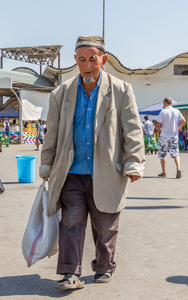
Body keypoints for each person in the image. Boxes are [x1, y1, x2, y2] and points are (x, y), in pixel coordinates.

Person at [39, 36, 145, 290]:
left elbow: (132, 130)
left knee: (106, 224)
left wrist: (134, 163)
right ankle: (69, 273)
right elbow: (51, 133)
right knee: (71, 222)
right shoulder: (61, 93)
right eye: (82, 59)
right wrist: (47, 165)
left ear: (103, 60)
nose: (87, 65)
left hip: (107, 170)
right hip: (72, 172)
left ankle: (104, 266)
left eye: (92, 59)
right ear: (75, 61)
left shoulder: (120, 90)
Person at [156, 97, 185, 179]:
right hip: (174, 135)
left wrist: (159, 130)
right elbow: (183, 121)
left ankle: (164, 172)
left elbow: (158, 123)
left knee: (162, 154)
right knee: (176, 153)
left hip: (164, 135)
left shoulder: (163, 111)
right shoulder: (177, 111)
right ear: (171, 103)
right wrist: (178, 128)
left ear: (164, 103)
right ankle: (178, 168)